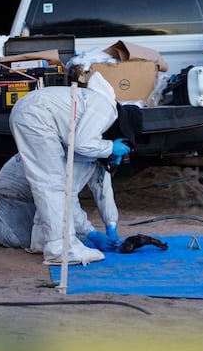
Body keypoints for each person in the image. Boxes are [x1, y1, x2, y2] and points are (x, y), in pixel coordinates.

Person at [9, 72, 131, 266]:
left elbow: (103, 187)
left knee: (49, 184)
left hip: (30, 111)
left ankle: (43, 239)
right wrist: (90, 232)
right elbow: (69, 192)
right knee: (53, 184)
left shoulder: (93, 121)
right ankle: (61, 249)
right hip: (36, 117)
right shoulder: (106, 109)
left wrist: (111, 225)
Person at [0, 152, 119, 253]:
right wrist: (90, 232)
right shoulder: (78, 153)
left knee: (53, 233)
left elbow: (104, 191)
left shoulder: (97, 153)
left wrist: (111, 225)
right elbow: (67, 198)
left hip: (40, 192)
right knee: (25, 240)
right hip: (14, 191)